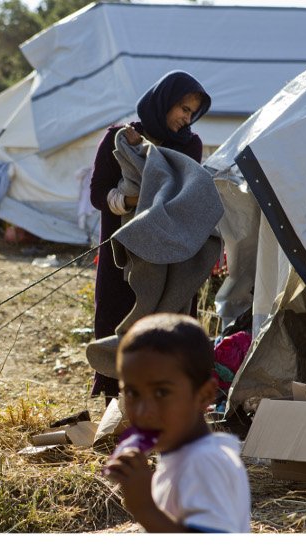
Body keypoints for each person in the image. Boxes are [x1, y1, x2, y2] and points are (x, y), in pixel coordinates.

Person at [89, 71, 212, 400]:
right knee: (118, 316)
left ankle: (161, 402)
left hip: (168, 254)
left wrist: (149, 193)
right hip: (123, 251)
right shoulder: (118, 136)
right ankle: (118, 404)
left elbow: (183, 195)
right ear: (165, 102)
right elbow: (99, 195)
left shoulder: (190, 145)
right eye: (182, 108)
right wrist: (133, 200)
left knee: (166, 324)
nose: (186, 118)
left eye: (191, 112)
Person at [105, 313, 251, 533]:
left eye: (162, 392)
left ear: (204, 395)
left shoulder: (205, 464)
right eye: (133, 393)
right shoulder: (181, 454)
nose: (144, 411)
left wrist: (146, 509)